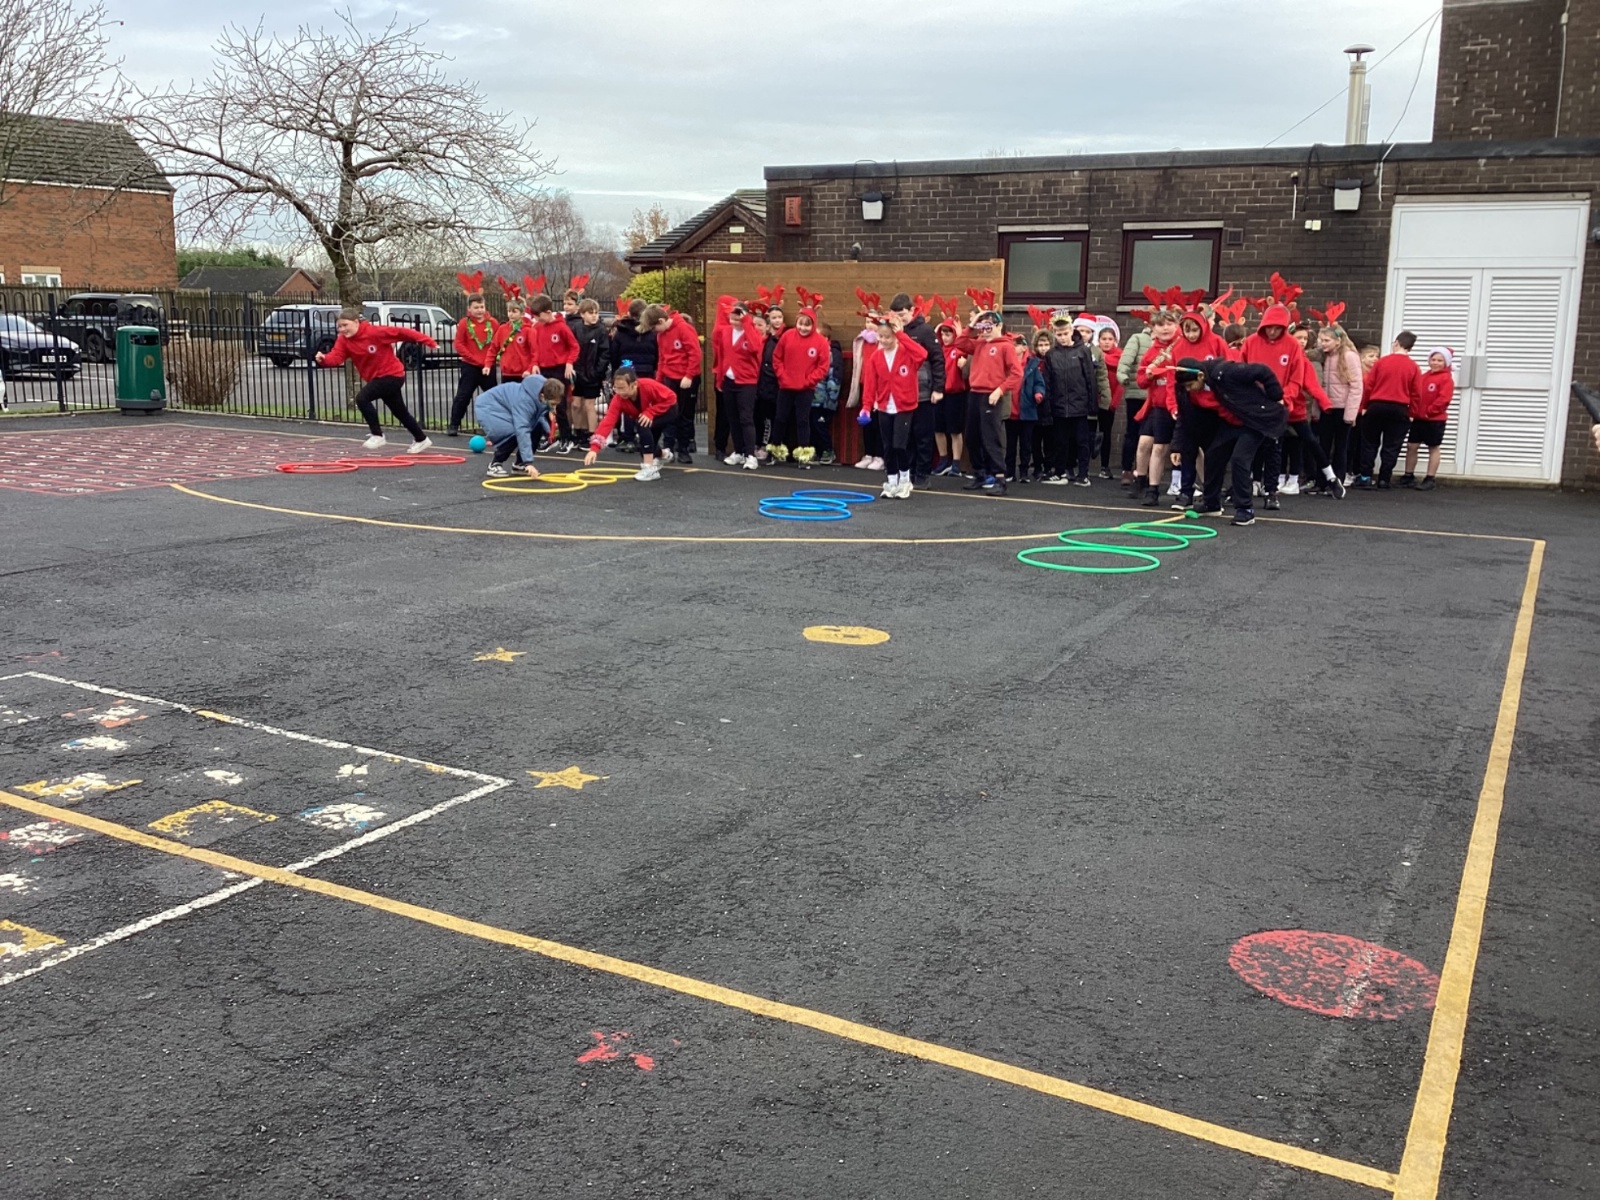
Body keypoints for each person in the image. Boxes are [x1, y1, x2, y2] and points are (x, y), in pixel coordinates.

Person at [1176, 357, 1286, 527]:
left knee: (1240, 459)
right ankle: (1211, 503)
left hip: (1255, 421)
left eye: (1190, 385)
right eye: (1185, 387)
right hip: (1231, 422)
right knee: (1213, 455)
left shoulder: (1226, 372)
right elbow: (1184, 418)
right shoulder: (1184, 390)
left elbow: (1263, 370)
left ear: (1200, 376)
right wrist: (1177, 446)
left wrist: (1276, 396)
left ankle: (1245, 509)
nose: (1188, 390)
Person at [315, 308, 436, 452]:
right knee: (399, 411)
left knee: (362, 398)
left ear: (356, 322)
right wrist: (324, 359)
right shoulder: (343, 340)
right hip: (376, 377)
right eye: (339, 326)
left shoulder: (374, 332)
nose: (342, 329)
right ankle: (421, 439)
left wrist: (429, 341)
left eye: (345, 325)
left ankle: (377, 435)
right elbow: (336, 357)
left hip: (392, 375)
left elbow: (402, 332)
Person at [858, 313, 928, 499]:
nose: (884, 340)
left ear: (895, 336)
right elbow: (870, 384)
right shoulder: (876, 357)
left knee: (900, 445)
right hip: (884, 406)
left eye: (888, 337)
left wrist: (902, 336)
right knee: (888, 446)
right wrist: (866, 407)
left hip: (904, 406)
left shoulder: (907, 353)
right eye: (881, 336)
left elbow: (922, 354)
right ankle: (891, 481)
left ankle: (905, 480)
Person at [961, 310, 1022, 495]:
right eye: (982, 327)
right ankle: (979, 473)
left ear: (998, 326)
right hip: (975, 393)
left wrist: (1000, 390)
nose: (984, 331)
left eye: (988, 327)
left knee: (991, 437)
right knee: (971, 436)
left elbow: (1017, 373)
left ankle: (1000, 478)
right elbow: (960, 343)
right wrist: (972, 324)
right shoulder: (979, 344)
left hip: (991, 395)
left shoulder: (1006, 346)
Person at [584, 369, 678, 482]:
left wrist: (651, 412)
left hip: (668, 410)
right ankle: (665, 454)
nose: (620, 392)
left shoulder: (648, 385)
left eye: (623, 388)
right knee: (644, 445)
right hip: (647, 415)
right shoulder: (618, 399)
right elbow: (607, 422)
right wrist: (594, 448)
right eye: (616, 388)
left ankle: (649, 468)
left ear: (634, 385)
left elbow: (672, 397)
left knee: (641, 424)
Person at [889, 293, 945, 486]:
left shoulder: (924, 331)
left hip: (922, 392)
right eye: (895, 315)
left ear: (912, 310)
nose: (900, 319)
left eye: (902, 315)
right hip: (901, 393)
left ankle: (922, 474)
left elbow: (937, 359)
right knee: (905, 437)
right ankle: (907, 472)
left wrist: (938, 388)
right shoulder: (892, 331)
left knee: (923, 435)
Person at [1356, 331, 1422, 489]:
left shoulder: (1381, 362)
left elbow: (1369, 386)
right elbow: (1416, 393)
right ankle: (1384, 479)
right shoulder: (1414, 367)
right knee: (1392, 445)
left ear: (1397, 343)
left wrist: (1365, 406)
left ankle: (1365, 477)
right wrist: (1412, 413)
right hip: (1400, 408)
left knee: (1370, 443)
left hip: (1376, 406)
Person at [770, 306, 832, 467]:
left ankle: (803, 455)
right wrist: (782, 376)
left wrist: (809, 381)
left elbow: (823, 366)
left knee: (802, 420)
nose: (803, 328)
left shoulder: (820, 342)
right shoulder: (787, 336)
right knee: (780, 418)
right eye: (800, 324)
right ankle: (775, 451)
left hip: (806, 388)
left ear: (813, 324)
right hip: (786, 386)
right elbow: (777, 358)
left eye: (807, 325)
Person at [1132, 311, 1181, 506]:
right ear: (1153, 328)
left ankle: (1202, 487)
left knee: (1191, 449)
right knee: (1151, 445)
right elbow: (1141, 381)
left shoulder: (1181, 346)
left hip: (1180, 405)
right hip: (1158, 406)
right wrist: (1150, 375)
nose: (1165, 328)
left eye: (1169, 324)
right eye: (1160, 325)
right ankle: (1147, 485)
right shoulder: (1151, 353)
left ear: (1176, 325)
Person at [1041, 319, 1098, 486]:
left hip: (1079, 404)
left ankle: (1083, 475)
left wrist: (1092, 404)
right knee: (1060, 441)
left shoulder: (1083, 351)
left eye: (1065, 334)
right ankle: (1060, 473)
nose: (1063, 337)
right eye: (1059, 334)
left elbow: (1090, 379)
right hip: (1059, 404)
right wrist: (1048, 406)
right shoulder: (1051, 354)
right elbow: (1048, 382)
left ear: (1072, 331)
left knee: (1082, 441)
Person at [645, 303, 702, 465]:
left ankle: (683, 449)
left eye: (655, 327)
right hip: (670, 377)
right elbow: (662, 359)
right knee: (669, 414)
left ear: (661, 321)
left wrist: (689, 375)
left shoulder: (684, 329)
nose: (655, 331)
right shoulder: (661, 336)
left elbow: (695, 353)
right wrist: (658, 382)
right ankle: (668, 448)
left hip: (686, 378)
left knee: (685, 415)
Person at [712, 302, 764, 469]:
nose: (734, 322)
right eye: (732, 319)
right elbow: (721, 357)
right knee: (732, 418)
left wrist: (747, 323)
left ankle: (750, 455)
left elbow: (755, 347)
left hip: (746, 381)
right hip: (729, 380)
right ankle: (739, 451)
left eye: (738, 319)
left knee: (746, 418)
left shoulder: (752, 332)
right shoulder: (726, 332)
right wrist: (720, 379)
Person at [475, 373, 554, 477]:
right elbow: (522, 428)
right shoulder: (525, 400)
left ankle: (519, 465)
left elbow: (538, 418)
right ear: (543, 397)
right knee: (513, 433)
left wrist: (549, 432)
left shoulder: (540, 394)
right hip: (489, 406)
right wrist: (528, 462)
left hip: (504, 406)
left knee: (536, 427)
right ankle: (494, 464)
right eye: (553, 404)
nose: (555, 408)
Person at [529, 295, 580, 451]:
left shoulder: (562, 327)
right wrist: (535, 364)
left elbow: (574, 347)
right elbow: (535, 349)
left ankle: (566, 437)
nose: (537, 319)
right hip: (544, 370)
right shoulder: (537, 328)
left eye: (539, 316)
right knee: (543, 404)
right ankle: (549, 436)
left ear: (548, 312)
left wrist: (569, 363)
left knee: (560, 405)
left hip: (559, 369)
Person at [447, 290, 500, 437]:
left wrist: (490, 360)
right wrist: (472, 359)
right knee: (463, 396)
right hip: (470, 366)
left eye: (482, 307)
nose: (479, 310)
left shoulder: (493, 323)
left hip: (488, 367)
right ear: (469, 309)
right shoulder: (464, 323)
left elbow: (497, 343)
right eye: (476, 307)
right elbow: (459, 344)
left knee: (493, 397)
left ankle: (496, 425)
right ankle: (454, 424)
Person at [1402, 347, 1455, 490]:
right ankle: (1408, 475)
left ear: (1446, 362)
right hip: (1418, 418)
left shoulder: (1446, 378)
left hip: (1434, 420)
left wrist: (1430, 411)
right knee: (1412, 446)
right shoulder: (1424, 376)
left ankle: (1430, 478)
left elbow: (1443, 399)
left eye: (1440, 360)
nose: (1435, 363)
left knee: (1433, 447)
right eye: (1433, 359)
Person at [1317, 324, 1363, 485]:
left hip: (1342, 408)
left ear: (1338, 341)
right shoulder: (1325, 357)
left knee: (1340, 447)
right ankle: (1322, 481)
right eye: (1321, 340)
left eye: (1327, 340)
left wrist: (1350, 414)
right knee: (1323, 446)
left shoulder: (1349, 356)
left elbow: (1356, 386)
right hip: (1327, 407)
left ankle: (1339, 479)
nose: (1323, 343)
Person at [568, 298, 610, 454]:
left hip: (592, 375)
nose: (594, 316)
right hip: (577, 373)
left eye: (596, 313)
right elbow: (571, 348)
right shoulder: (576, 328)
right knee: (576, 404)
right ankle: (578, 432)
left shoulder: (601, 331)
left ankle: (591, 435)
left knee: (589, 405)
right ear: (582, 314)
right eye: (590, 313)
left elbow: (604, 353)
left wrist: (597, 372)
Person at [1116, 317, 1152, 485]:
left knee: (1149, 435)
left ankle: (1143, 471)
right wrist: (1123, 376)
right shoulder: (1138, 338)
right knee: (1133, 432)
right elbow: (1126, 360)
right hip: (1137, 393)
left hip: (1155, 396)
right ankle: (1127, 469)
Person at [845, 319, 885, 472]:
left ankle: (879, 456)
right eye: (867, 321)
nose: (870, 325)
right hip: (864, 384)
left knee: (878, 422)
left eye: (873, 321)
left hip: (879, 387)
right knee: (866, 421)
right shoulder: (861, 341)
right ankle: (868, 454)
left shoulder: (882, 342)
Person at [1011, 330, 1049, 483]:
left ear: (1024, 347)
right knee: (1011, 444)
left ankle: (1024, 472)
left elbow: (1039, 383)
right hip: (1011, 410)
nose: (1013, 348)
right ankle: (1009, 471)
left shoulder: (1032, 365)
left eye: (1016, 345)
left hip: (1027, 410)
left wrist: (1038, 393)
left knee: (1026, 444)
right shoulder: (1007, 363)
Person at [934, 320, 969, 476]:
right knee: (938, 429)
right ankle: (943, 460)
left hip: (955, 394)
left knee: (955, 430)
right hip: (940, 393)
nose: (945, 337)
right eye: (943, 334)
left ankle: (956, 463)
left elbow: (965, 352)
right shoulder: (939, 350)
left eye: (948, 334)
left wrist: (960, 335)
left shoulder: (958, 350)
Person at [754, 304, 785, 460]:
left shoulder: (778, 340)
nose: (777, 320)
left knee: (769, 419)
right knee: (757, 417)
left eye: (779, 317)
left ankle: (766, 445)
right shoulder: (763, 340)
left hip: (772, 385)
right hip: (758, 385)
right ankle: (757, 444)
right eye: (774, 317)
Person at [812, 320, 844, 464]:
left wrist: (831, 398)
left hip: (824, 399)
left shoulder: (832, 354)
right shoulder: (812, 352)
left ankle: (828, 450)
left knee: (820, 425)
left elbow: (834, 377)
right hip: (811, 398)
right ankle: (815, 451)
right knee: (812, 425)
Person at [1096, 320, 1124, 479]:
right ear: (1098, 340)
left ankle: (1104, 467)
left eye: (1110, 339)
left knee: (1106, 434)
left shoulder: (1121, 357)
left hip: (1109, 403)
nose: (1107, 342)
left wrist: (1113, 403)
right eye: (1103, 339)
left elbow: (1121, 384)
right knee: (1088, 433)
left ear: (1115, 341)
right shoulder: (1093, 355)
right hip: (1093, 400)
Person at [491, 296, 535, 383]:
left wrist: (529, 369)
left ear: (522, 314)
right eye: (509, 311)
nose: (511, 314)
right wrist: (488, 364)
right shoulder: (502, 329)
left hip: (523, 374)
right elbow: (493, 347)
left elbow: (534, 353)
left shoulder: (528, 330)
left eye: (514, 311)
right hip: (506, 374)